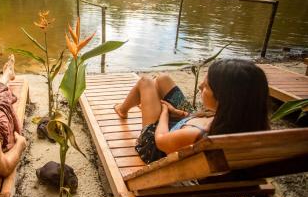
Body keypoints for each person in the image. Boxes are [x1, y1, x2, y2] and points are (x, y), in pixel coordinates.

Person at [114, 59, 270, 163]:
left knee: (145, 82)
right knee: (163, 79)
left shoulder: (197, 135)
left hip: (154, 144)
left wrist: (164, 113)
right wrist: (180, 113)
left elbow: (161, 140)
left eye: (207, 86)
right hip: (187, 122)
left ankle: (123, 109)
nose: (200, 86)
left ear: (223, 97)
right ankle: (148, 100)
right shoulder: (238, 118)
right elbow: (199, 119)